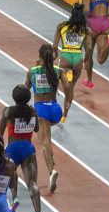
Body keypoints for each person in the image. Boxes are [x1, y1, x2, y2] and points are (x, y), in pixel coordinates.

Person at [24, 44, 73, 193]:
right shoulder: (59, 71)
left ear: (39, 56)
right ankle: (49, 157)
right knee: (42, 133)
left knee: (46, 143)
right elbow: (68, 89)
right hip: (55, 110)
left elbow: (25, 92)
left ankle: (51, 171)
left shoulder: (32, 72)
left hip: (41, 110)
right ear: (52, 57)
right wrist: (67, 105)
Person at [0, 85, 44, 212]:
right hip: (28, 148)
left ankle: (15, 196)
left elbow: (0, 133)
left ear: (14, 98)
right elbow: (37, 129)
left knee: (11, 174)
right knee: (32, 184)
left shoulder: (8, 111)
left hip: (12, 148)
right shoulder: (33, 111)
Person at [53, 2, 89, 97]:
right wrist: (86, 60)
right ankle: (67, 108)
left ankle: (66, 104)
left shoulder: (62, 26)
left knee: (66, 85)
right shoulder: (85, 29)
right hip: (78, 57)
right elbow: (89, 48)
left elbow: (54, 46)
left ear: (71, 12)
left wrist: (55, 54)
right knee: (71, 86)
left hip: (65, 56)